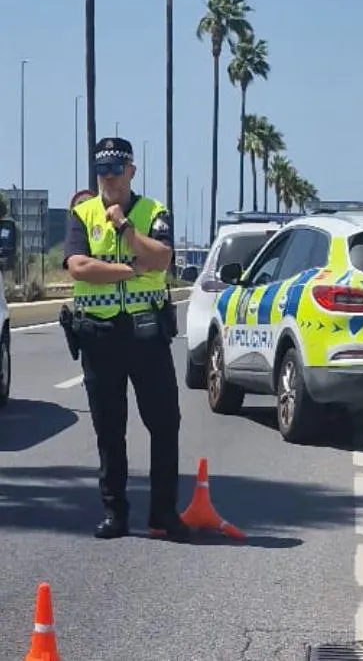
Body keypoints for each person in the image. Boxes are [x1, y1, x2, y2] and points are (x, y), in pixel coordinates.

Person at [63, 137, 190, 541]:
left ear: (131, 171)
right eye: (103, 170)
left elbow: (162, 257)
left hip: (147, 334)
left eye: (117, 170)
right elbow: (79, 267)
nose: (110, 178)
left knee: (165, 422)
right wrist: (131, 269)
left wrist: (126, 228)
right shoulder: (81, 214)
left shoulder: (153, 212)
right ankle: (115, 513)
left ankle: (163, 513)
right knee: (109, 427)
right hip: (100, 336)